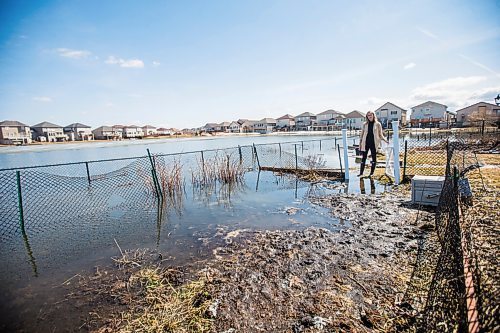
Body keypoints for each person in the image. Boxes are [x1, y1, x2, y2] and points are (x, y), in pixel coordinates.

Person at [358, 111, 388, 177]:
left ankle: (371, 173)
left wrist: (385, 140)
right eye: (368, 115)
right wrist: (360, 143)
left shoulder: (378, 124)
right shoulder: (365, 124)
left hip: (374, 143)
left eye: (370, 115)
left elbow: (380, 134)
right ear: (367, 117)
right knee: (364, 158)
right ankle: (361, 173)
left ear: (373, 115)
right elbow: (362, 134)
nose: (369, 116)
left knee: (374, 158)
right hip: (365, 143)